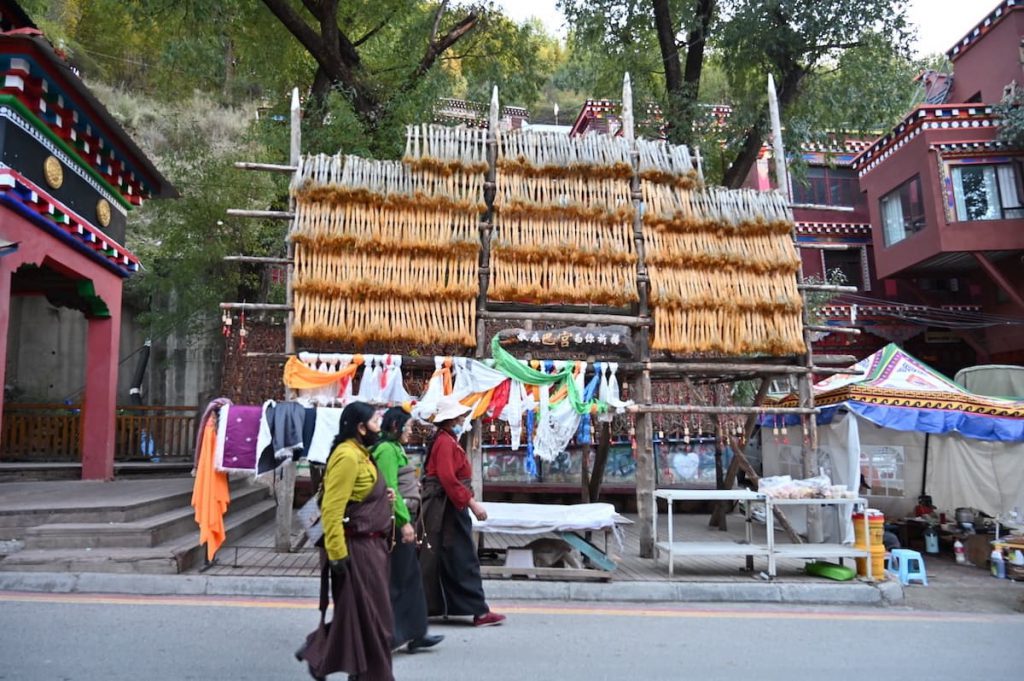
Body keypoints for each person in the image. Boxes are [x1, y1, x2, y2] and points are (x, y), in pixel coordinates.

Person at [296, 402, 394, 681]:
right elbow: (332, 509)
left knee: (364, 616)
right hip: (356, 549)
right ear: (360, 427)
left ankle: (322, 652)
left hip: (372, 547)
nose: (380, 427)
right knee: (373, 619)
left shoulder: (362, 454)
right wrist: (338, 555)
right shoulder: (347, 456)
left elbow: (358, 494)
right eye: (375, 422)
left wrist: (380, 497)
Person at [419, 395, 505, 627]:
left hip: (445, 507)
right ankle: (479, 611)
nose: (462, 418)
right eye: (459, 416)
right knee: (463, 558)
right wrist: (472, 504)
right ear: (451, 419)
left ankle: (439, 607)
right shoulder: (446, 442)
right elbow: (448, 478)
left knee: (448, 558)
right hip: (447, 508)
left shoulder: (445, 438)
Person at [372, 406, 444, 652]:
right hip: (395, 525)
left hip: (404, 521)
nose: (410, 432)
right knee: (399, 580)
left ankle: (415, 632)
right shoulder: (386, 451)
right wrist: (403, 523)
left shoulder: (394, 449)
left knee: (410, 578)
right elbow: (389, 490)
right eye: (408, 427)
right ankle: (390, 635)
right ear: (395, 426)